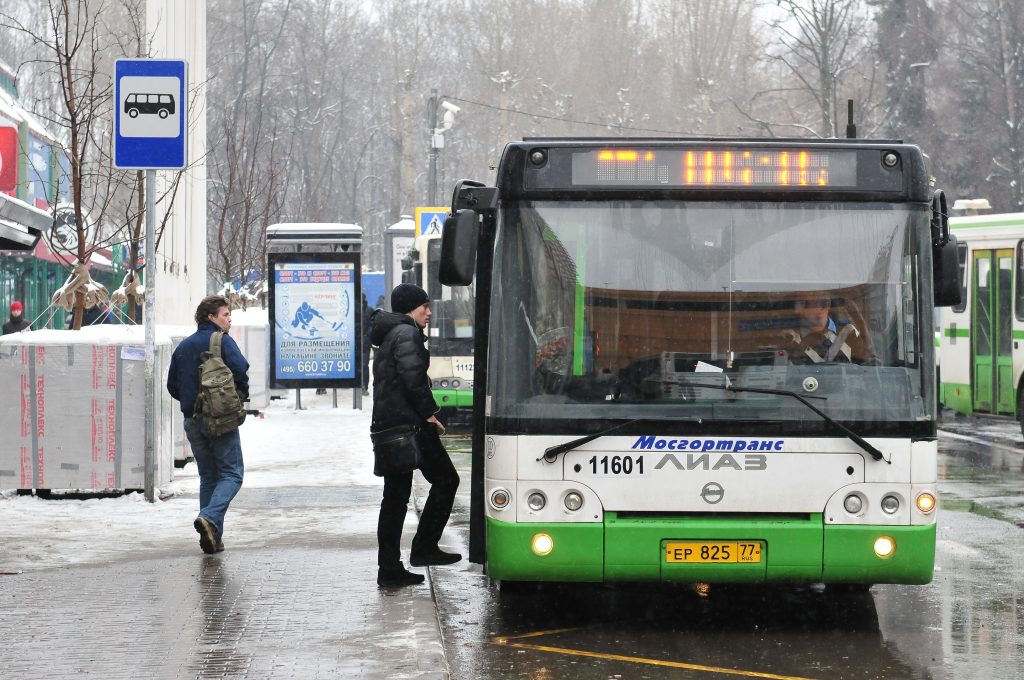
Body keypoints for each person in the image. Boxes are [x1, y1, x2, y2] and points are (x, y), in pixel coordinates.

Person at [370, 283, 461, 588]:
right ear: (412, 308)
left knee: (394, 499)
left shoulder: (390, 335)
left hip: (391, 427)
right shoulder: (407, 334)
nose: (429, 312)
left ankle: (390, 568)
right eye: (425, 306)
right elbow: (413, 380)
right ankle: (423, 548)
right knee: (447, 480)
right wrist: (430, 413)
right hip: (409, 427)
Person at [167, 295, 249, 555]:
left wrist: (194, 404)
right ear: (211, 317)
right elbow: (241, 369)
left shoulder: (183, 347)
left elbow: (172, 385)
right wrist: (233, 399)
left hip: (192, 421)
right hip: (220, 420)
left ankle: (212, 538)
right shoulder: (222, 341)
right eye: (225, 315)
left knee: (209, 477)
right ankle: (210, 518)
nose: (229, 319)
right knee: (232, 474)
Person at [782, 295, 865, 364]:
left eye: (826, 301)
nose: (823, 307)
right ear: (799, 307)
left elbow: (867, 367)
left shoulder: (848, 333)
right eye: (816, 302)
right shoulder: (787, 339)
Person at [361, 292, 373, 395]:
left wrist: (367, 335)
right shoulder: (352, 309)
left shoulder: (369, 310)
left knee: (364, 365)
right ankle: (358, 385)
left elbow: (373, 325)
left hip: (365, 343)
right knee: (357, 366)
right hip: (355, 344)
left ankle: (364, 386)